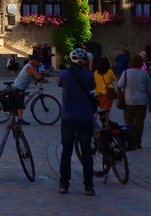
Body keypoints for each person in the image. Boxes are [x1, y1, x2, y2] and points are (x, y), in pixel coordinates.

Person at [58, 48, 95, 196]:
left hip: (68, 117)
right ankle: (88, 186)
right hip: (85, 117)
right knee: (86, 152)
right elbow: (92, 87)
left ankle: (64, 184)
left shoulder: (64, 74)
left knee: (66, 151)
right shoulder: (89, 75)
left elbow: (60, 84)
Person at [116, 54, 151, 150]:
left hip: (129, 100)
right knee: (139, 122)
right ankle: (138, 142)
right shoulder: (144, 74)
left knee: (128, 121)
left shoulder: (126, 73)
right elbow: (149, 90)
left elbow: (120, 85)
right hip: (142, 101)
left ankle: (130, 140)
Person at [11, 55, 47, 123]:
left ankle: (19, 116)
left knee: (21, 103)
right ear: (33, 61)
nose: (38, 63)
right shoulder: (30, 67)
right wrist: (44, 78)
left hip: (21, 86)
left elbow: (33, 77)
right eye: (37, 61)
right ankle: (20, 119)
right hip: (19, 87)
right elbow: (38, 76)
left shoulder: (30, 66)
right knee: (20, 104)